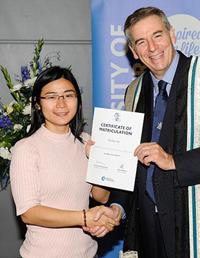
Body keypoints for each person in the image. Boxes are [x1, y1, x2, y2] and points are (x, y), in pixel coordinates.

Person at [89, 6, 200, 258]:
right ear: (134, 52)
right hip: (149, 226)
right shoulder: (133, 91)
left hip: (194, 222)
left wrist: (173, 161)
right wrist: (117, 207)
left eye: (157, 35)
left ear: (172, 35)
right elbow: (129, 164)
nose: (152, 47)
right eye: (141, 41)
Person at [10, 66, 118, 258]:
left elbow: (101, 197)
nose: (61, 104)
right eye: (51, 97)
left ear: (77, 99)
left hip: (88, 253)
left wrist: (99, 162)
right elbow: (29, 212)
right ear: (37, 104)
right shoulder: (26, 148)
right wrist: (84, 218)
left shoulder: (86, 141)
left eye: (68, 95)